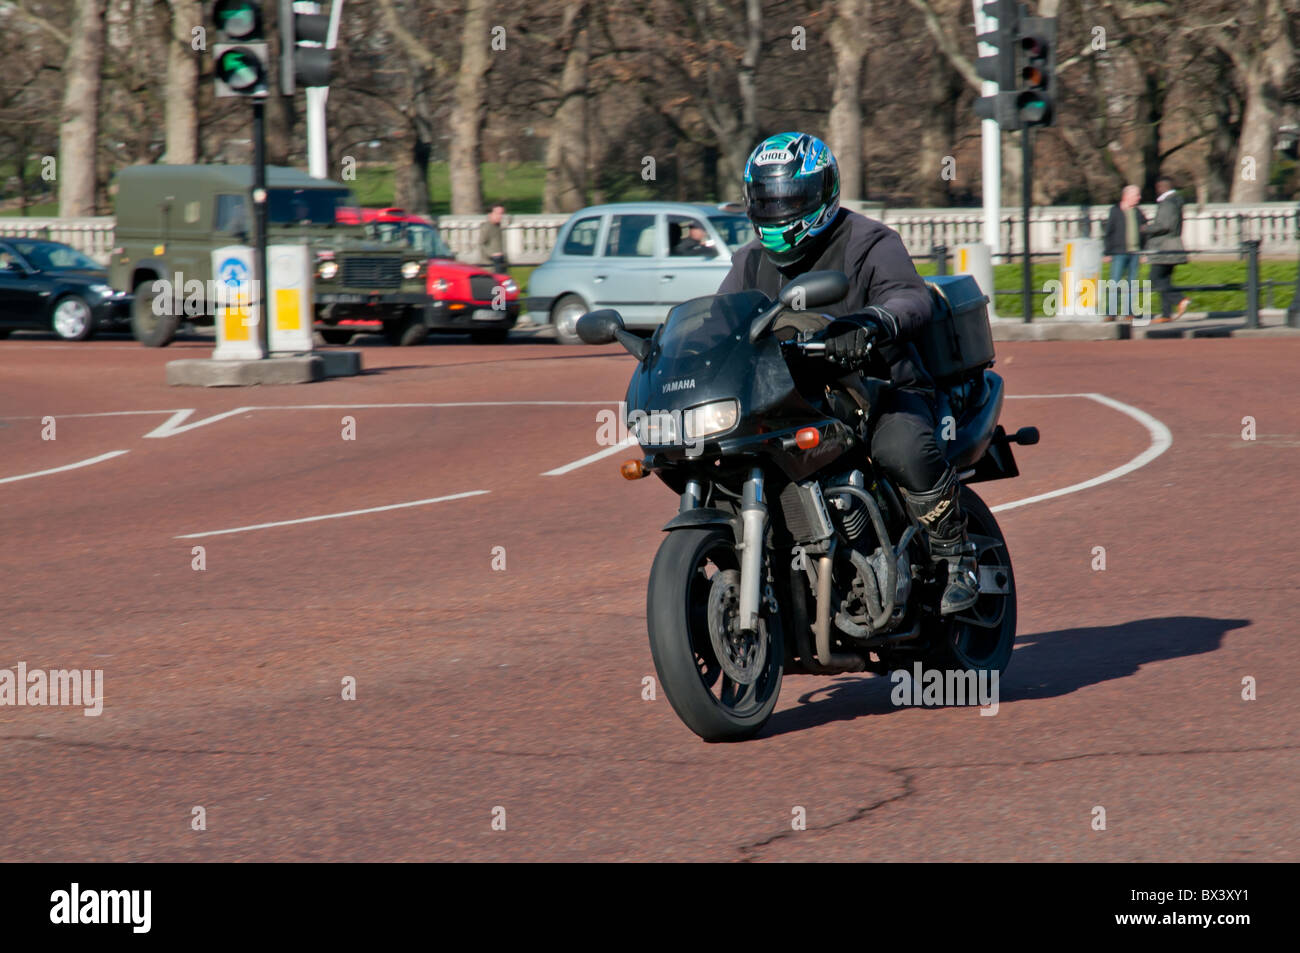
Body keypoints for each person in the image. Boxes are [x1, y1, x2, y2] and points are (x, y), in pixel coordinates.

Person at [717, 132, 978, 616]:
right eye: (767, 200)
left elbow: (910, 296)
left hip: (882, 386)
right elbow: (723, 319)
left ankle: (956, 557)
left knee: (900, 447)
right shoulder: (750, 261)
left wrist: (874, 321)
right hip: (792, 397)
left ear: (821, 195)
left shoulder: (868, 241)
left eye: (791, 200)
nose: (778, 211)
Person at [1141, 178, 1190, 323]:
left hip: (1164, 247)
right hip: (1172, 246)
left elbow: (1164, 225)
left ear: (1160, 187)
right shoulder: (1176, 201)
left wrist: (1146, 228)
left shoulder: (1167, 203)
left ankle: (1180, 299)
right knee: (1165, 280)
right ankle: (1166, 314)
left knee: (1154, 279)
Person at [1102, 185, 1145, 321]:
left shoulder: (1138, 212)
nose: (1139, 198)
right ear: (1126, 196)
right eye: (1136, 195)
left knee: (1132, 282)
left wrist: (1143, 251)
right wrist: (1107, 252)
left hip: (1135, 252)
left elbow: (1144, 231)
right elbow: (1109, 232)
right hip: (1119, 252)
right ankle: (1111, 312)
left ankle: (1129, 312)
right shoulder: (1115, 211)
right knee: (1115, 281)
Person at [480, 203, 508, 274]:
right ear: (490, 214)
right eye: (497, 214)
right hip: (491, 266)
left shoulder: (498, 227)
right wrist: (492, 254)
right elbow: (481, 243)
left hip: (500, 263)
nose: (500, 216)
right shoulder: (487, 227)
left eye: (501, 214)